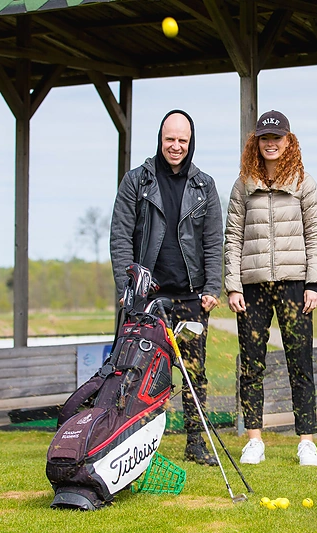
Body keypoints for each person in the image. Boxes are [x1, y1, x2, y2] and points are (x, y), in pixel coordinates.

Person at [110, 110, 223, 466]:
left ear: (191, 142)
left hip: (191, 298)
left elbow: (213, 241)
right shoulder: (136, 181)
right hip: (147, 298)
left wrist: (213, 286)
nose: (176, 146)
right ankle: (131, 445)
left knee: (194, 374)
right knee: (138, 373)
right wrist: (127, 287)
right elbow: (120, 237)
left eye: (182, 140)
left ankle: (195, 444)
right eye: (169, 139)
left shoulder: (204, 186)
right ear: (160, 139)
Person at [224, 110, 317, 467]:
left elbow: (316, 236)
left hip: (294, 285)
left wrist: (313, 283)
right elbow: (232, 237)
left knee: (300, 362)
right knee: (251, 364)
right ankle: (254, 440)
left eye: (277, 138)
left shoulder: (304, 183)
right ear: (257, 142)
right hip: (251, 287)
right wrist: (233, 285)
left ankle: (306, 441)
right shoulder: (243, 185)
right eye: (265, 138)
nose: (271, 144)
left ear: (288, 141)